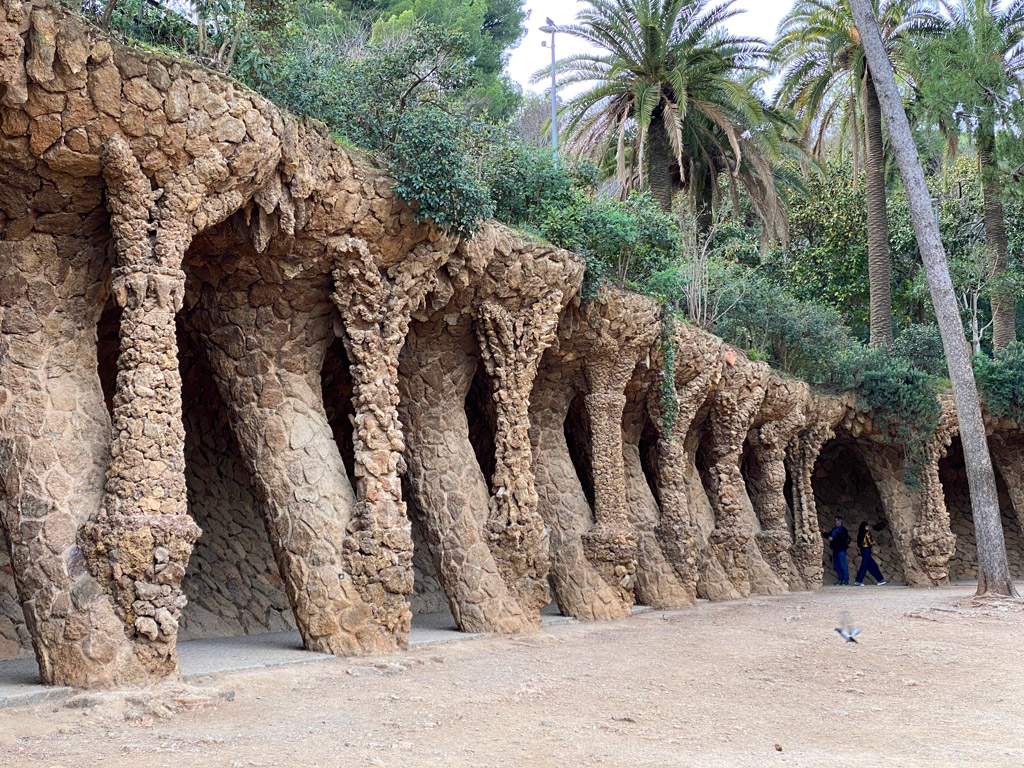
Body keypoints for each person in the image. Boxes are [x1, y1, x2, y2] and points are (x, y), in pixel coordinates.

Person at [855, 521, 887, 586]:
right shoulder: (867, 533)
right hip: (867, 550)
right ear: (865, 527)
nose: (868, 527)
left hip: (863, 550)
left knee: (872, 565)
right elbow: (870, 542)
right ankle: (859, 580)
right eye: (867, 526)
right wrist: (875, 542)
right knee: (864, 566)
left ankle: (880, 579)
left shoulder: (860, 533)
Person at [827, 516, 850, 585]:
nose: (835, 522)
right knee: (837, 565)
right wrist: (824, 532)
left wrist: (833, 539)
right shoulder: (834, 529)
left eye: (836, 521)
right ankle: (840, 579)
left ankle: (845, 580)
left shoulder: (843, 530)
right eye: (835, 521)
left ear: (840, 521)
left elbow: (842, 539)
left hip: (841, 549)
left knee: (843, 565)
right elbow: (829, 535)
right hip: (835, 549)